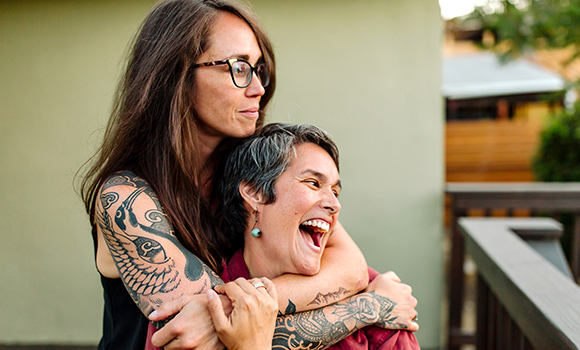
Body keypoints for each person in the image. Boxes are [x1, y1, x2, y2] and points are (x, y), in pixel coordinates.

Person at [79, 0, 418, 349]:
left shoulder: (251, 170)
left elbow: (349, 266)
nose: (258, 87)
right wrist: (371, 307)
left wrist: (247, 305)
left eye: (259, 69)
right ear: (176, 75)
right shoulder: (124, 198)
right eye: (238, 67)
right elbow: (216, 339)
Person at [146, 123, 420, 350]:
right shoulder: (193, 304)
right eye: (313, 183)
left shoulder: (378, 296)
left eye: (335, 192)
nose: (334, 204)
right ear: (255, 193)